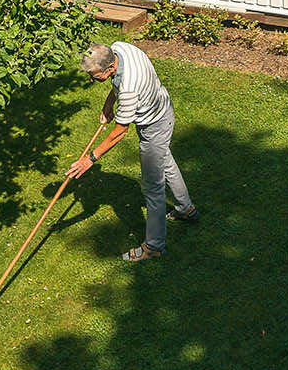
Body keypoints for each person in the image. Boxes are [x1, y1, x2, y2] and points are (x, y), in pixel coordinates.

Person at [67, 41, 197, 261]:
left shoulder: (129, 88)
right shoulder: (120, 48)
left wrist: (90, 159)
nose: (91, 79)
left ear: (109, 68)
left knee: (152, 188)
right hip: (163, 109)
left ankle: (154, 247)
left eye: (95, 75)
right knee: (165, 160)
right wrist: (108, 105)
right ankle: (186, 209)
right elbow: (115, 86)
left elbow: (119, 132)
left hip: (154, 125)